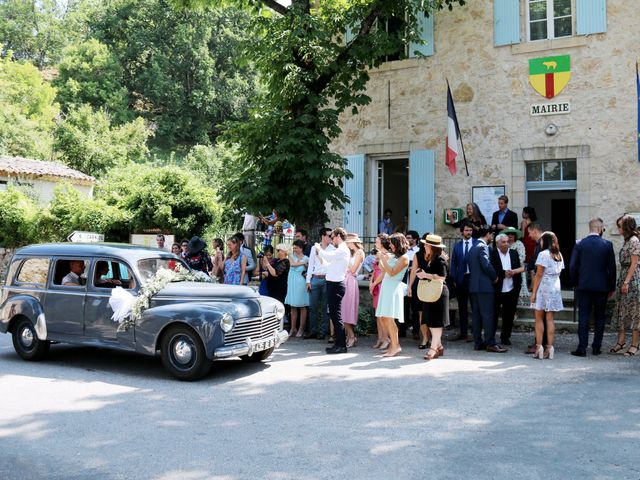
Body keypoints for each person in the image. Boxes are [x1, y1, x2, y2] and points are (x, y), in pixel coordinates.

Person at [569, 218, 616, 357]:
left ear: (590, 228)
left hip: (583, 285)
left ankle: (582, 348)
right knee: (600, 317)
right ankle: (596, 347)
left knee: (583, 316)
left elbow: (572, 266)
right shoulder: (607, 245)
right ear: (600, 228)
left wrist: (575, 282)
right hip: (602, 287)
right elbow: (612, 268)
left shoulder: (580, 244)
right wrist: (611, 287)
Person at [468, 226, 507, 352]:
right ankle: (490, 342)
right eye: (492, 235)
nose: (492, 237)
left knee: (477, 316)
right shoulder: (483, 246)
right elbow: (486, 264)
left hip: (474, 286)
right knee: (488, 315)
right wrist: (495, 277)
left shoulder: (473, 246)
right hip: (484, 286)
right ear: (488, 234)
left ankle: (478, 342)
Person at [530, 231, 564, 360]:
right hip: (555, 286)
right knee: (550, 319)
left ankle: (539, 347)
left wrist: (533, 292)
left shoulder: (543, 254)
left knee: (539, 318)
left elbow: (539, 274)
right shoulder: (558, 254)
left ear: (545, 241)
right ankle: (550, 347)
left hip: (544, 287)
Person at [316, 228, 351, 354]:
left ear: (338, 236)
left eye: (332, 237)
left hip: (336, 285)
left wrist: (319, 248)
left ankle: (341, 345)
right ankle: (339, 344)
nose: (331, 239)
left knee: (336, 317)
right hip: (332, 284)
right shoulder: (340, 250)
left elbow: (328, 256)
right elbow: (327, 265)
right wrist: (319, 255)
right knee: (334, 316)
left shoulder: (342, 249)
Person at [609, 214, 640, 357]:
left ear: (626, 227)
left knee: (634, 312)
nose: (618, 229)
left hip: (632, 280)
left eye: (620, 226)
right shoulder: (626, 241)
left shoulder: (634, 241)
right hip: (624, 278)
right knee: (622, 310)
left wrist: (627, 281)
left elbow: (634, 263)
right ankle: (621, 342)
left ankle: (634, 344)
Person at [375, 233, 409, 357]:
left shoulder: (404, 258)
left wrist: (383, 259)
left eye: (391, 243)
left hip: (394, 287)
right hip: (386, 286)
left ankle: (395, 346)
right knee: (384, 317)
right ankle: (393, 345)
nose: (390, 246)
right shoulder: (394, 256)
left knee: (389, 318)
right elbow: (384, 270)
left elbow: (392, 272)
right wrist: (382, 258)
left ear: (397, 244)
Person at [416, 235, 449, 360]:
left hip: (439, 293)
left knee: (436, 323)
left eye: (426, 244)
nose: (424, 246)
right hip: (431, 293)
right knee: (430, 321)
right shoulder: (430, 258)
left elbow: (442, 277)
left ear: (432, 247)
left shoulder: (440, 260)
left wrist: (426, 275)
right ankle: (439, 346)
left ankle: (433, 349)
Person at [490, 234, 524, 346]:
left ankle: (505, 336)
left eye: (507, 242)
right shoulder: (492, 254)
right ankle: (491, 337)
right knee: (493, 314)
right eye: (503, 242)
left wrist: (515, 279)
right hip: (497, 289)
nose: (506, 244)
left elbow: (518, 268)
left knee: (509, 315)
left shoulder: (513, 253)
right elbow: (492, 270)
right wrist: (503, 273)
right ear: (497, 243)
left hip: (511, 288)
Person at [449, 222, 478, 341]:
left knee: (475, 307)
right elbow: (453, 263)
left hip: (473, 278)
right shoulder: (457, 246)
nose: (469, 232)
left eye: (470, 230)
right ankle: (463, 332)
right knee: (462, 307)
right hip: (461, 280)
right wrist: (454, 279)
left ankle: (474, 332)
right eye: (466, 230)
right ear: (462, 232)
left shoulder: (477, 243)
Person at [305, 228, 333, 340]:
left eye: (331, 236)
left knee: (326, 307)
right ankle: (313, 331)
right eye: (329, 235)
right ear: (323, 236)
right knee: (313, 307)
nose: (331, 238)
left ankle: (323, 332)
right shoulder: (314, 248)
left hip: (327, 279)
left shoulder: (332, 249)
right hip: (315, 279)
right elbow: (310, 264)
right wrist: (308, 280)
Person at [525, 222, 546, 354]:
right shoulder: (542, 244)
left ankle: (540, 344)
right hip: (547, 283)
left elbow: (537, 268)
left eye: (529, 232)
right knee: (545, 316)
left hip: (542, 283)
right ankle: (544, 344)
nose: (528, 235)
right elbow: (531, 263)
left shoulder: (542, 244)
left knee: (540, 316)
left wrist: (534, 289)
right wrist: (515, 271)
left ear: (534, 230)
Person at [342, 233, 365, 347]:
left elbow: (353, 269)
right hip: (345, 279)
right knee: (343, 310)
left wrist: (345, 260)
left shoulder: (360, 252)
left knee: (346, 310)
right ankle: (349, 336)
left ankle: (351, 336)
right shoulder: (351, 253)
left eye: (348, 242)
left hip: (350, 281)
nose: (347, 245)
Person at [284, 240, 309, 337]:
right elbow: (293, 264)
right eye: (293, 247)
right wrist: (303, 263)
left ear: (301, 248)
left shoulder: (307, 258)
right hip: (292, 281)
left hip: (301, 282)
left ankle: (301, 328)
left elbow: (309, 269)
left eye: (296, 247)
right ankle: (293, 328)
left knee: (302, 305)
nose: (294, 249)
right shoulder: (291, 256)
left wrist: (305, 263)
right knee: (293, 305)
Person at [502, 227, 530, 306]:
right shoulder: (504, 243)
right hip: (506, 271)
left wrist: (512, 265)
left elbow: (522, 257)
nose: (510, 235)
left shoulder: (519, 244)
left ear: (515, 235)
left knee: (517, 290)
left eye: (512, 234)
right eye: (508, 234)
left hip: (518, 270)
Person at [369, 238, 388, 349]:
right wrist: (371, 282)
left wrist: (375, 283)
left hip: (381, 284)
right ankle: (380, 338)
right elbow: (374, 270)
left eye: (377, 241)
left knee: (382, 314)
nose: (375, 243)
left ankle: (386, 338)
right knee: (377, 314)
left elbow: (384, 271)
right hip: (376, 283)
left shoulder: (386, 255)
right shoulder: (378, 254)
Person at [402, 230, 421, 339]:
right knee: (404, 307)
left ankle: (416, 331)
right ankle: (402, 330)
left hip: (415, 283)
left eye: (409, 238)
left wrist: (413, 269)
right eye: (406, 237)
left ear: (415, 239)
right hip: (404, 282)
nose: (407, 240)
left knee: (415, 308)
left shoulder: (418, 251)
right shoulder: (404, 251)